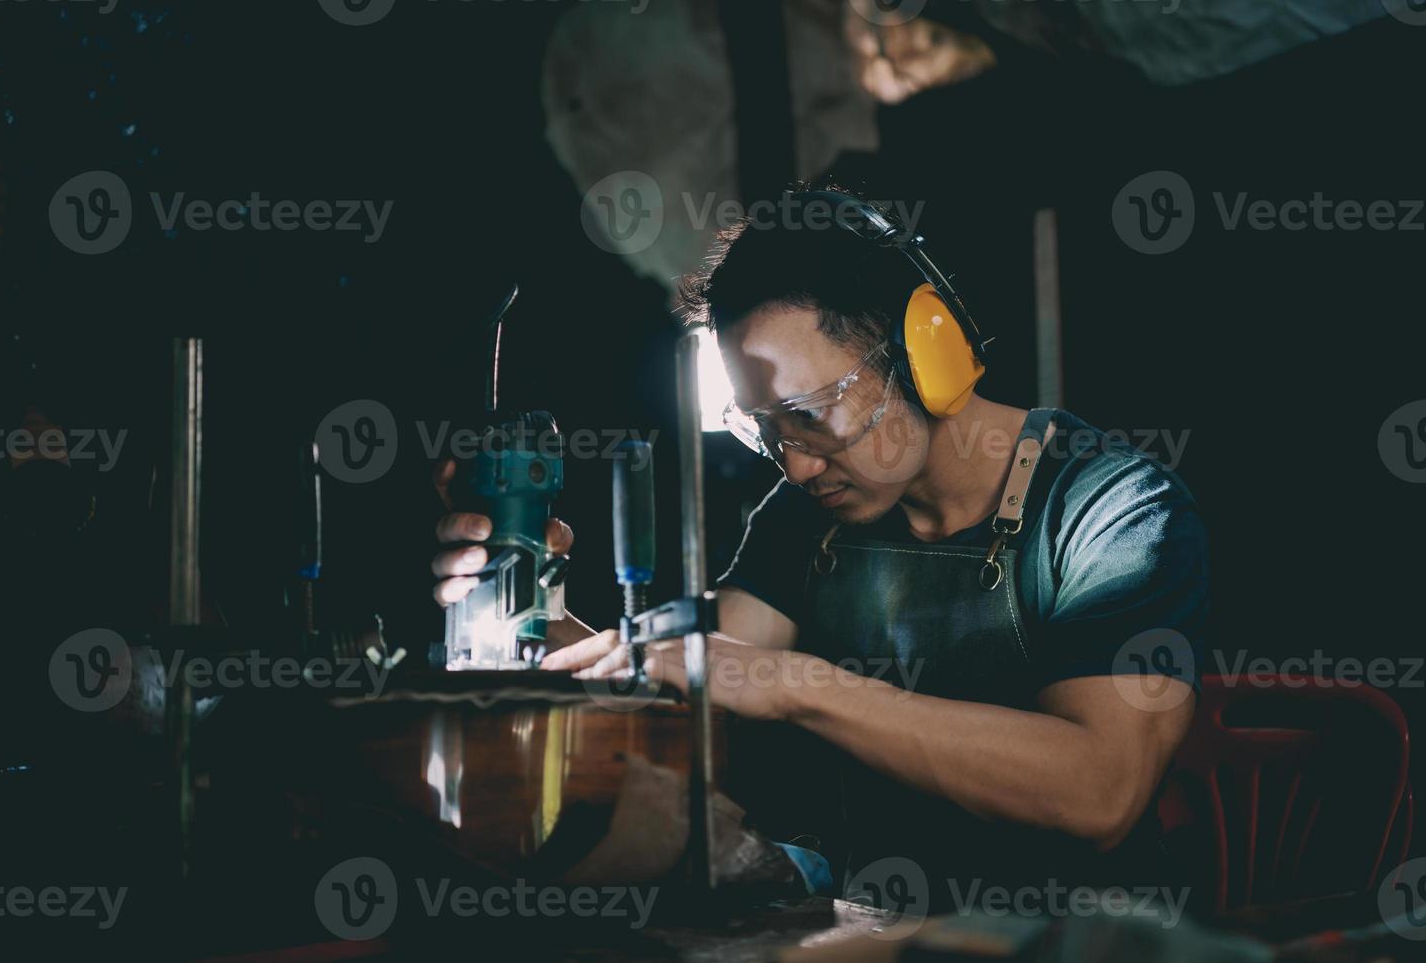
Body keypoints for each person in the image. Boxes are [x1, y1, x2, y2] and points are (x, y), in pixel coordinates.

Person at [433, 188, 1208, 909]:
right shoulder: (811, 514)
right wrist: (537, 601)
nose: (796, 463)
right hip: (882, 925)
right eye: (764, 429)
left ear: (925, 354)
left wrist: (802, 684)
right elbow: (693, 683)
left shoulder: (1113, 511)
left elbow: (1100, 793)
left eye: (809, 413)